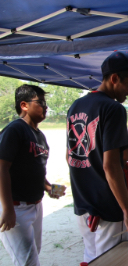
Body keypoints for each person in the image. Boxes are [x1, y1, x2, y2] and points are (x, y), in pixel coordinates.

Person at [66, 51, 128, 263]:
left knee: (92, 257)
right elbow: (111, 166)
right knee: (115, 260)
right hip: (108, 206)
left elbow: (71, 157)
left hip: (83, 204)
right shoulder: (113, 108)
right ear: (114, 79)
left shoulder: (76, 106)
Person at [0, 84, 64, 266]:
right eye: (40, 102)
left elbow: (33, 167)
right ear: (24, 105)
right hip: (15, 206)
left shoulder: (39, 135)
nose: (45, 107)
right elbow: (1, 168)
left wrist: (49, 187)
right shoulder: (15, 130)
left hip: (35, 205)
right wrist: (8, 209)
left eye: (45, 103)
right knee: (28, 262)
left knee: (33, 255)